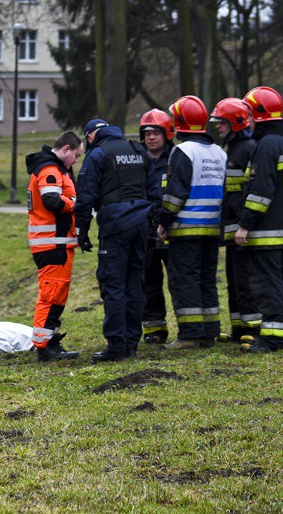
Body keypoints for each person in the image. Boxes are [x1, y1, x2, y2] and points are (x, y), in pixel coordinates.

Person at [75, 119, 160, 362]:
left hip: (115, 226)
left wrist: (82, 230)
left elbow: (86, 195)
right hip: (140, 225)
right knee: (135, 283)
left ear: (91, 136)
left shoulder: (98, 154)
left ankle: (116, 346)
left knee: (113, 284)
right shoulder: (138, 150)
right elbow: (154, 192)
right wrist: (152, 225)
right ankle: (132, 343)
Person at [235, 86, 283, 352]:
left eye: (250, 116)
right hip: (281, 226)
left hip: (264, 229)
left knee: (266, 282)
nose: (248, 121)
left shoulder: (265, 146)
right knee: (282, 279)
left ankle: (274, 338)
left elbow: (261, 190)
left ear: (260, 115)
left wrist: (245, 224)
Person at [157, 96, 227, 350]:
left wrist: (164, 220)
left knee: (184, 280)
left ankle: (189, 334)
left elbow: (176, 192)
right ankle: (209, 331)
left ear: (178, 122)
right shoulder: (219, 152)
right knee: (207, 279)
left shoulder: (182, 151)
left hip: (185, 228)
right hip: (212, 228)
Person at [26, 131, 83, 361]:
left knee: (57, 294)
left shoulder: (56, 169)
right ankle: (44, 346)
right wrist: (77, 204)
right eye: (76, 155)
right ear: (66, 149)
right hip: (51, 243)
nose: (76, 161)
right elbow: (52, 201)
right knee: (51, 295)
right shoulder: (50, 170)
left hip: (57, 242)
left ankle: (50, 340)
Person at [209, 98, 261, 342]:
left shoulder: (248, 148)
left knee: (245, 279)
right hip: (231, 227)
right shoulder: (233, 147)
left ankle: (251, 329)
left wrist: (245, 224)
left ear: (235, 123)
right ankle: (239, 328)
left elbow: (249, 190)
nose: (218, 127)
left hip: (241, 228)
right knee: (233, 279)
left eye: (222, 122)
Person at [139, 109, 176, 345]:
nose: (151, 137)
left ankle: (188, 327)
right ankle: (154, 329)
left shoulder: (177, 158)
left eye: (156, 133)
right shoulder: (137, 159)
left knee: (178, 280)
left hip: (173, 230)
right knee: (149, 282)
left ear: (167, 134)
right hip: (145, 230)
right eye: (147, 133)